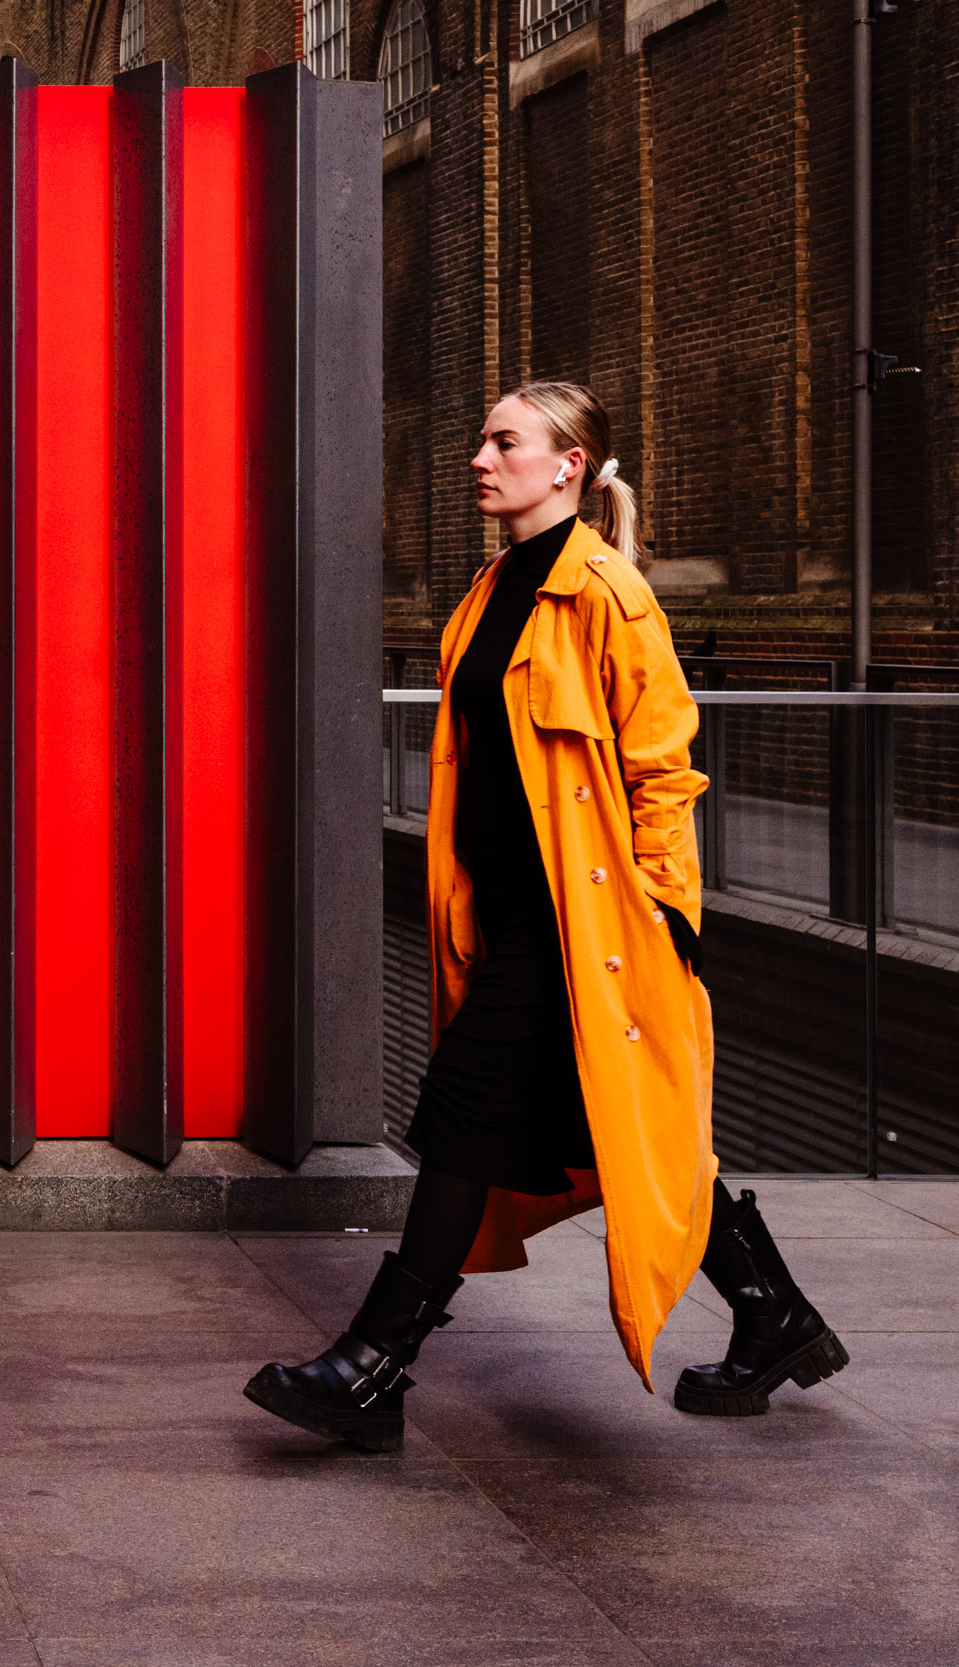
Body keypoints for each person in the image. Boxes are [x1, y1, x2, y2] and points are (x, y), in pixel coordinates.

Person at [244, 382, 848, 1453]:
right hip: (510, 916)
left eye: (503, 440)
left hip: (591, 925)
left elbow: (665, 767)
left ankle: (374, 1365)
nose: (479, 456)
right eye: (480, 436)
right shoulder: (487, 593)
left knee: (463, 1113)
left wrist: (667, 911)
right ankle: (775, 1311)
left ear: (566, 464)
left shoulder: (605, 595)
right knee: (630, 1129)